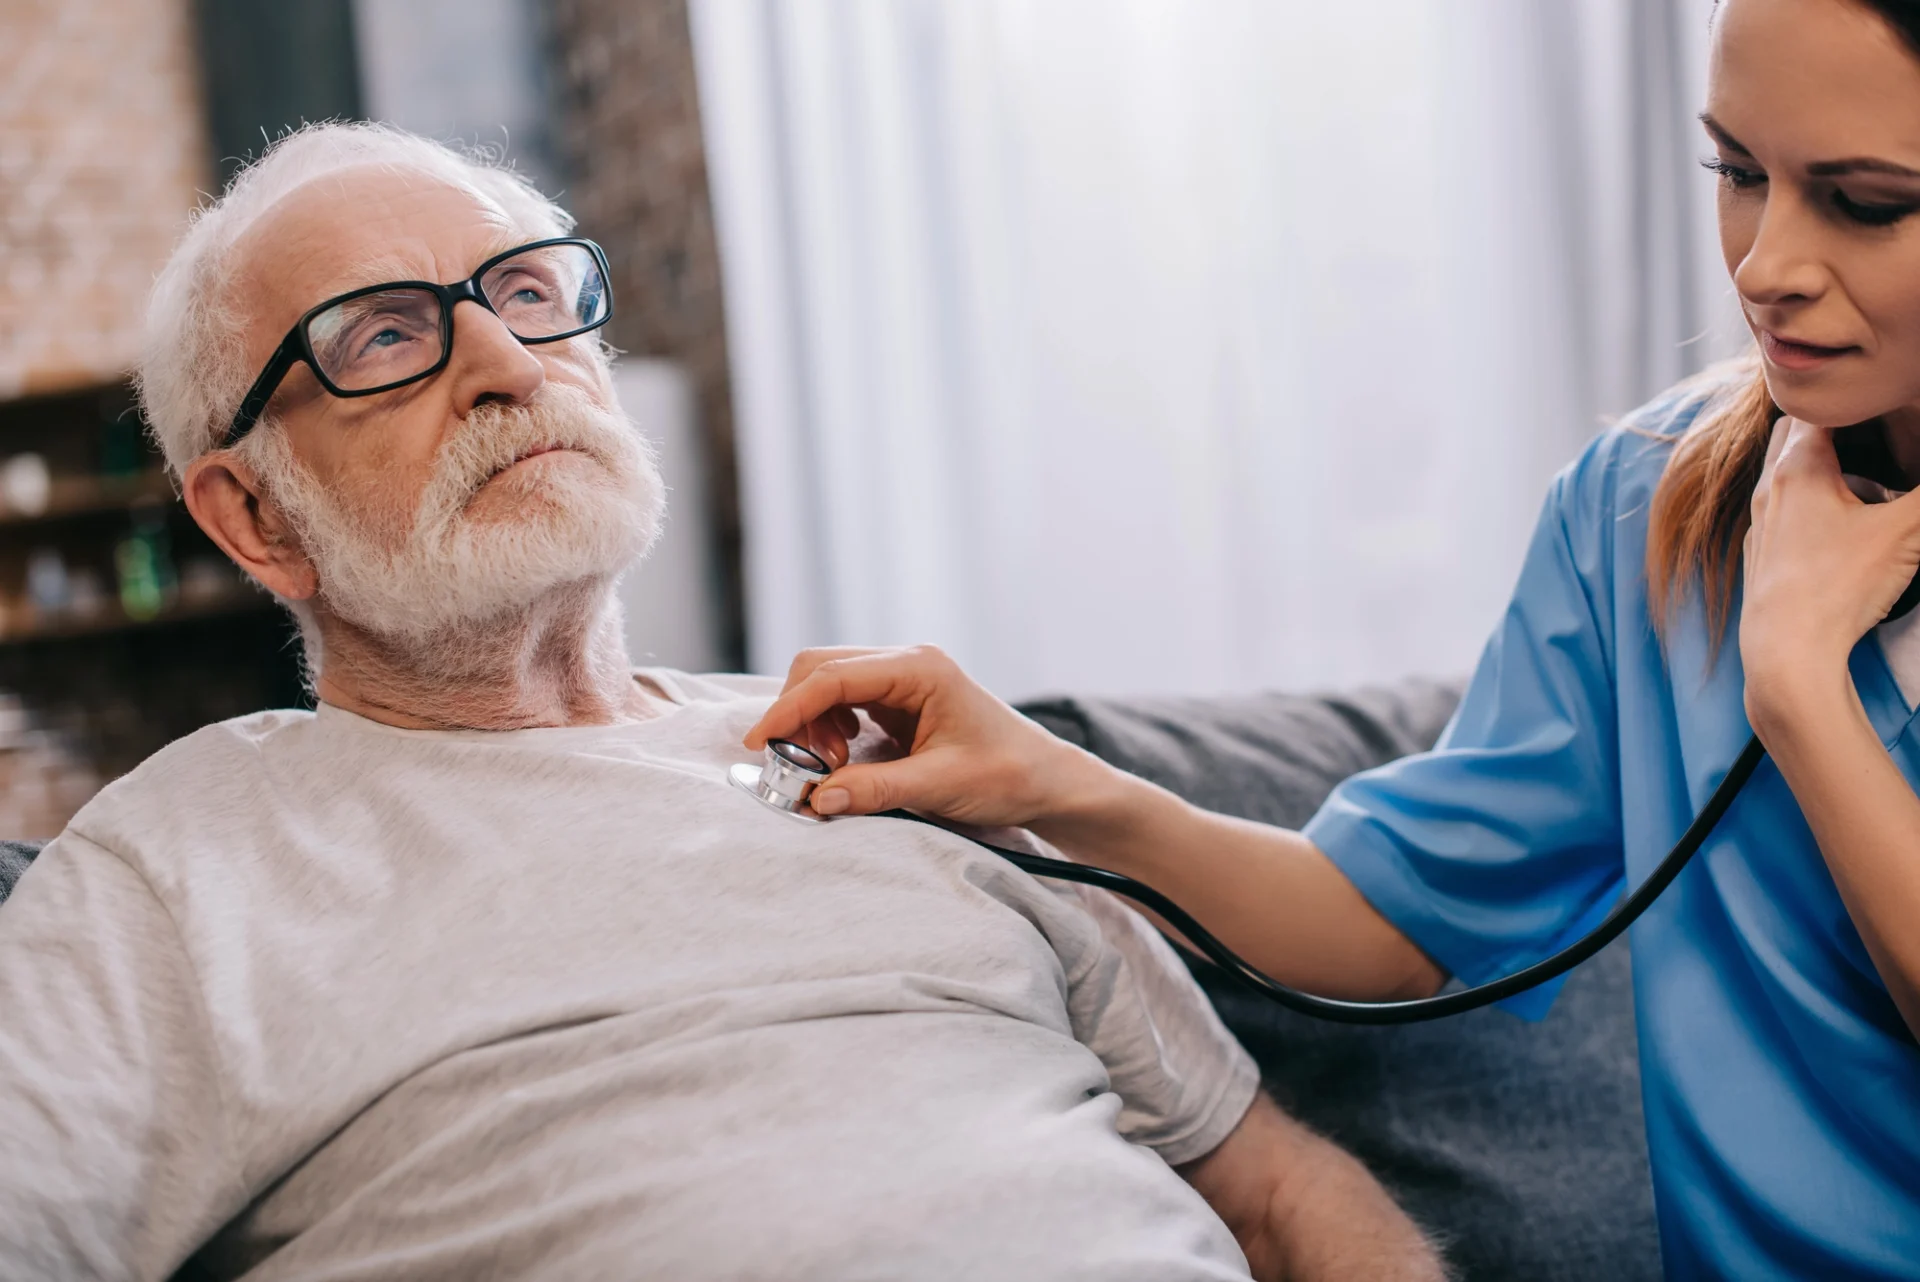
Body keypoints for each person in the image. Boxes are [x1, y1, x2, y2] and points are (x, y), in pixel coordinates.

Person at [0, 124, 1446, 1281]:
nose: (507, 363)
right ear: (254, 516)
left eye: (525, 292)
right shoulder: (177, 870)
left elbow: (1276, 1192)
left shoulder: (907, 748)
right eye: (382, 337)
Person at [746, 0, 1920, 1277]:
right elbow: (1393, 924)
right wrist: (1052, 780)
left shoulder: (1756, 602)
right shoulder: (1645, 506)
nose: (1765, 265)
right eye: (1739, 174)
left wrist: (1803, 688)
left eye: (1864, 202)